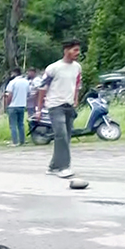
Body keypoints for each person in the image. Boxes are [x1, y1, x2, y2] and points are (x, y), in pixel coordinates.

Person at [38, 40, 82, 179]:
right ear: (66, 50)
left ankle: (53, 166)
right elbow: (42, 87)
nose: (77, 53)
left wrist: (75, 100)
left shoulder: (77, 68)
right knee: (61, 134)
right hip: (55, 105)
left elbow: (77, 85)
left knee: (65, 137)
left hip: (69, 105)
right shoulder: (53, 68)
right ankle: (64, 167)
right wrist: (39, 109)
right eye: (74, 50)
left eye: (78, 50)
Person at [4, 68, 31, 146]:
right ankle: (22, 140)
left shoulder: (12, 82)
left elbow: (9, 95)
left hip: (13, 105)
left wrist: (7, 104)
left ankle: (15, 141)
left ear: (14, 73)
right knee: (20, 124)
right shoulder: (26, 82)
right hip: (22, 105)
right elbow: (28, 93)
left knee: (13, 125)